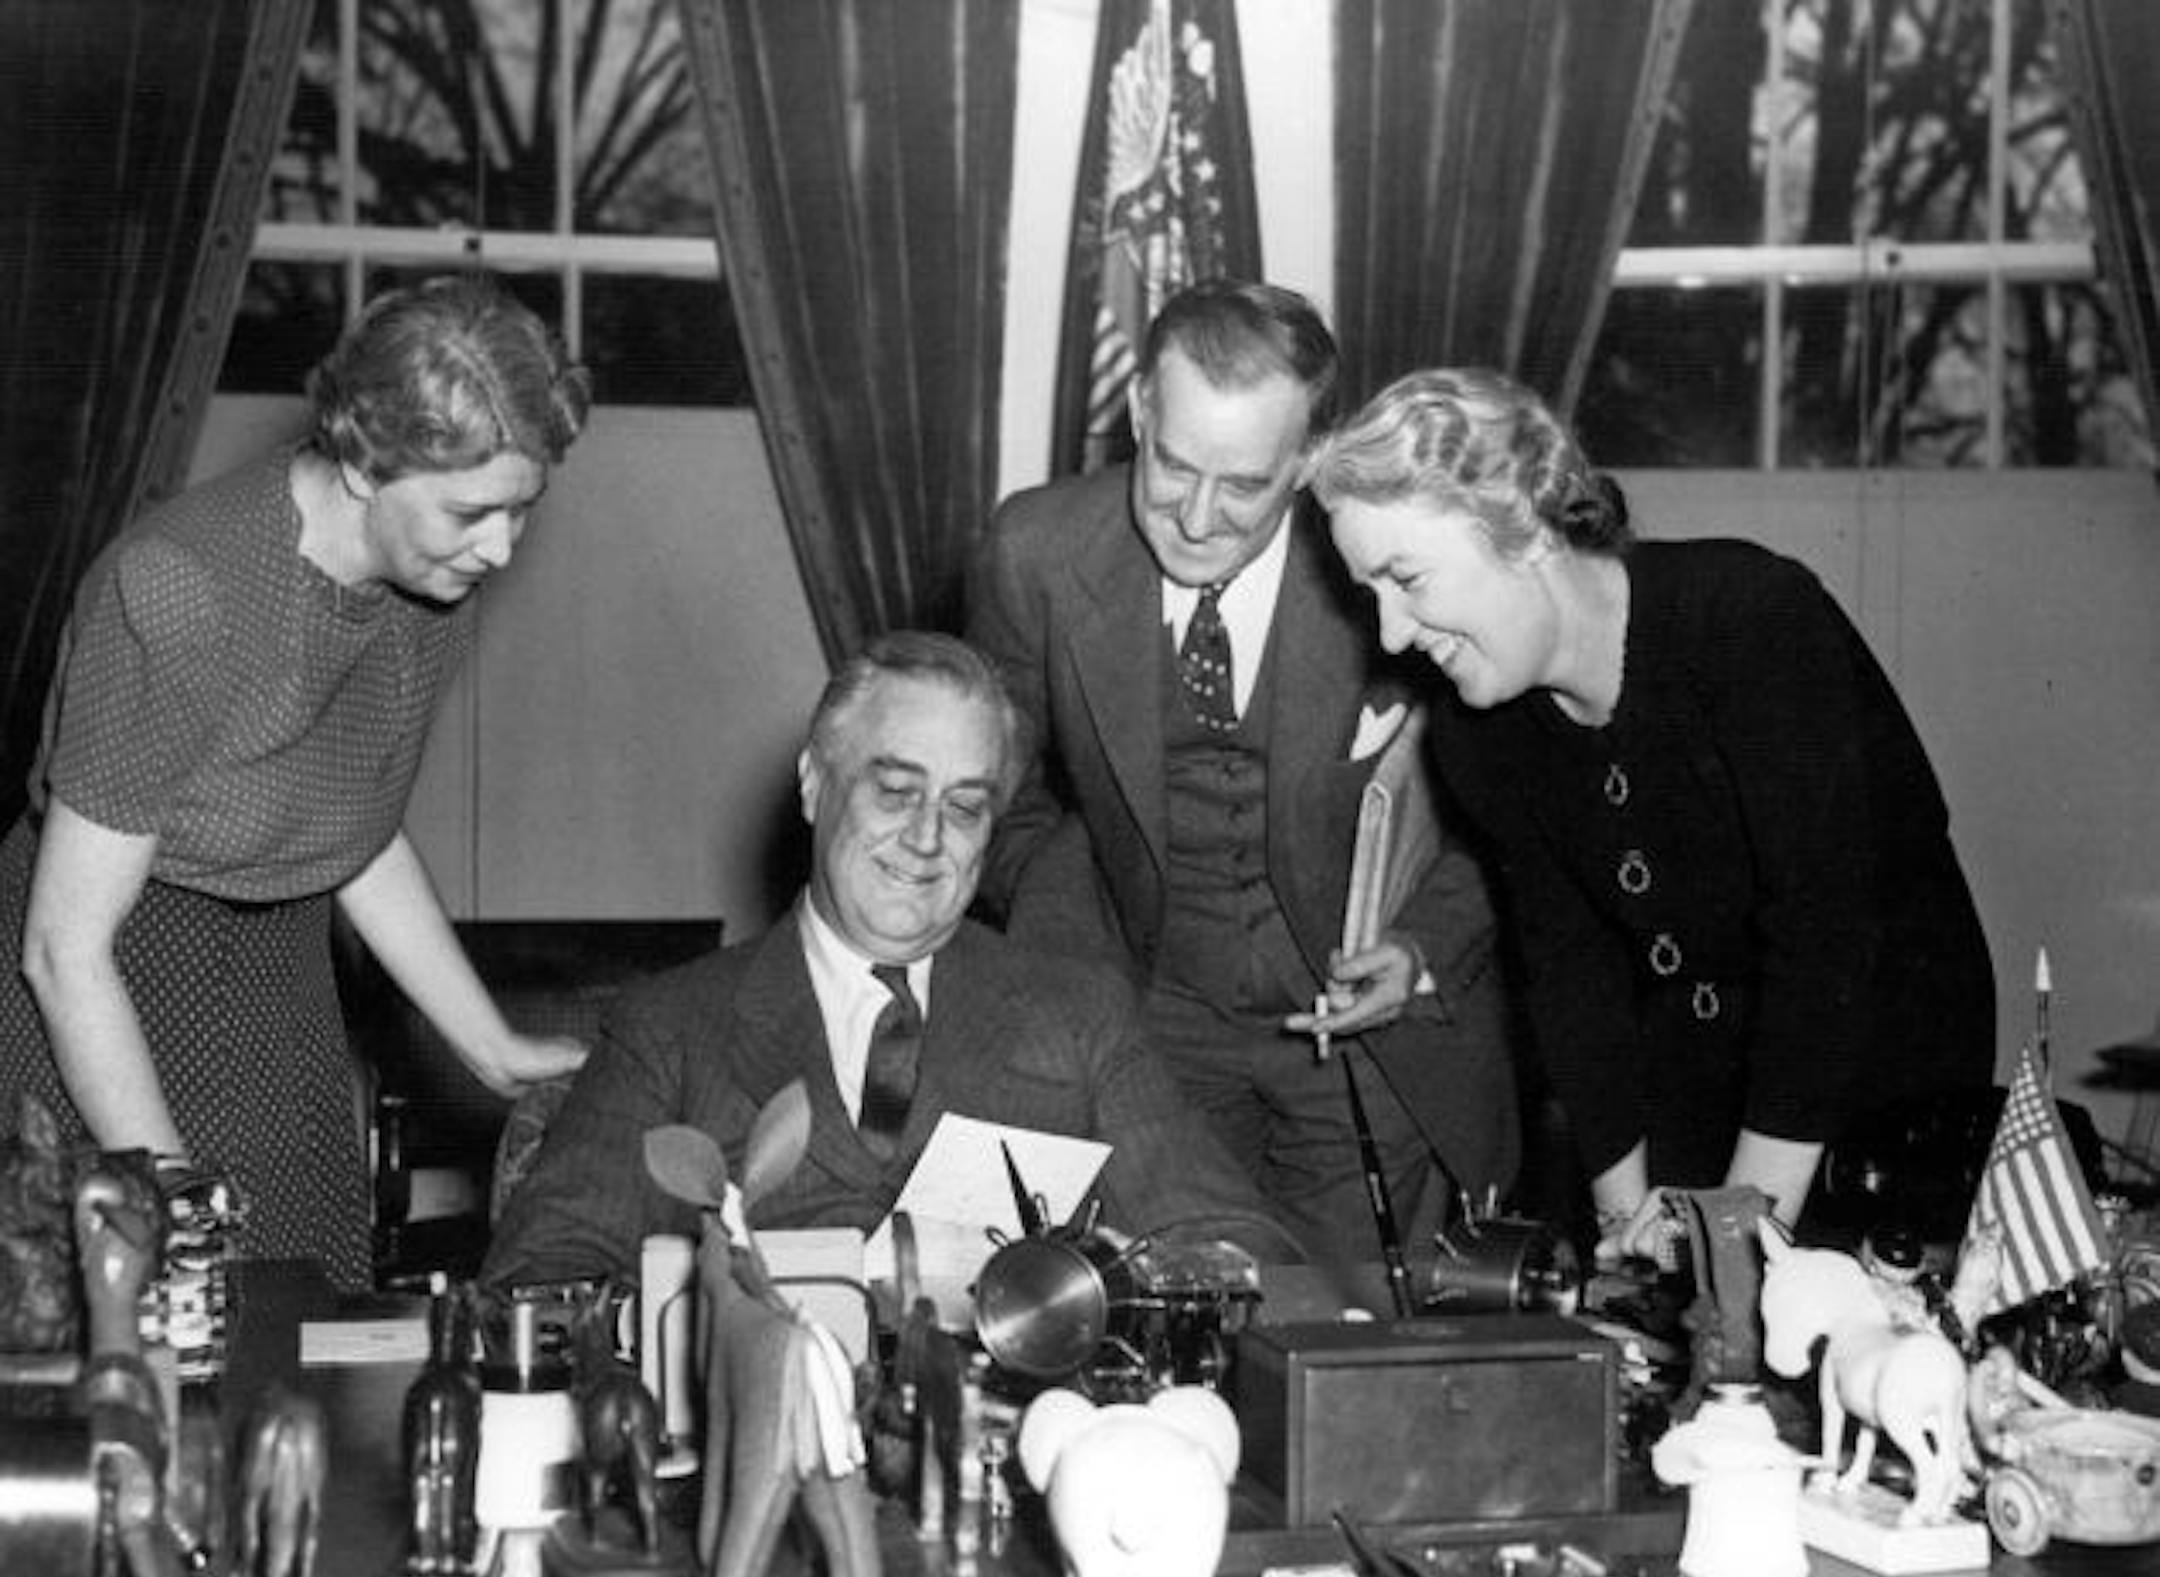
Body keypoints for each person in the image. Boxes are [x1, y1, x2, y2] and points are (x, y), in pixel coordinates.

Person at [1307, 366, 1996, 1259]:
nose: (1394, 634)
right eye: (1373, 597)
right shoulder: (1478, 734)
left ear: (1520, 523)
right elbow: (1574, 977)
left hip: (1884, 1089)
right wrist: (1623, 1226)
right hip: (1702, 1085)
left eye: (1408, 579)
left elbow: (1827, 941)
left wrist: (1736, 1237)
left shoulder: (1753, 619)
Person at [0, 274, 594, 1291]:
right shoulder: (183, 593)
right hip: (106, 976)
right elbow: (64, 951)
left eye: (521, 511)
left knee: (305, 1319)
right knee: (152, 1333)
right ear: (363, 463)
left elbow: (352, 830)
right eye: (471, 513)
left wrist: (486, 1044)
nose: (500, 549)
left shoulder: (426, 587)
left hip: (277, 972)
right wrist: (173, 1195)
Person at [967, 279, 1517, 1288]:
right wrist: (1069, 914)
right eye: (1173, 467)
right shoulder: (1035, 552)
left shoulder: (1386, 568)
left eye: (1246, 487)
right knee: (1177, 1328)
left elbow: (1508, 803)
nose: (1197, 516)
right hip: (1147, 1028)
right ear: (1138, 410)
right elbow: (995, 791)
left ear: (1309, 460)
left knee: (1348, 1352)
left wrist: (1422, 947)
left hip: (1361, 1043)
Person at [483, 631, 1305, 1290]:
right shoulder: (668, 1026)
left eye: (966, 807)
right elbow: (539, 1277)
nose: (926, 838)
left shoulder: (1079, 1015)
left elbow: (1243, 1246)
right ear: (814, 784)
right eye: (896, 790)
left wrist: (1118, 1276)